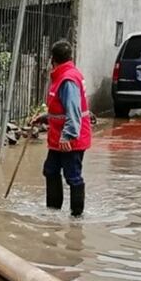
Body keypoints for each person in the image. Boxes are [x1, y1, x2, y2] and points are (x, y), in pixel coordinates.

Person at [30, 40, 92, 217]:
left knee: (73, 177)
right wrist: (44, 118)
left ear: (53, 60)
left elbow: (73, 110)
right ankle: (53, 212)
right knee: (50, 170)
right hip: (59, 138)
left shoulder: (67, 79)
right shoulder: (64, 75)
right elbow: (61, 109)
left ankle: (76, 217)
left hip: (70, 139)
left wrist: (68, 136)